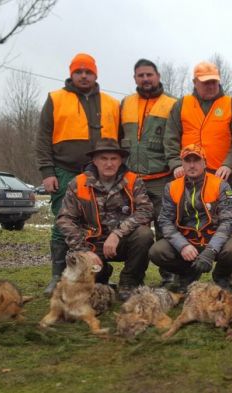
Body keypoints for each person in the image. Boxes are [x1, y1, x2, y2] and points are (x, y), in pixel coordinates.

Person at [35, 53, 121, 295]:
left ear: (96, 74)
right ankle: (57, 276)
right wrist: (47, 171)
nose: (84, 76)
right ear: (71, 74)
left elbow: (122, 139)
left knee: (102, 221)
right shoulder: (55, 98)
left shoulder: (112, 103)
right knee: (63, 222)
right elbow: (42, 138)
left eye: (88, 72)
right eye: (79, 71)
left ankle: (98, 273)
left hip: (102, 173)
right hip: (64, 170)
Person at [163, 61, 232, 290]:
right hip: (187, 172)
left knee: (226, 225)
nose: (210, 86)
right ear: (195, 83)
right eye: (205, 82)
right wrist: (174, 163)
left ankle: (226, 273)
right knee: (184, 223)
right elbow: (170, 136)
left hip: (221, 174)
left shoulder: (230, 104)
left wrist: (230, 164)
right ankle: (185, 272)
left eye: (214, 82)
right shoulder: (182, 104)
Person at [56, 139, 154, 301]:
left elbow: (146, 210)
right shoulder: (78, 183)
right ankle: (102, 273)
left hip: (122, 242)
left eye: (113, 159)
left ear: (120, 160)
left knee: (144, 235)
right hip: (90, 244)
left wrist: (117, 234)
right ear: (94, 160)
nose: (109, 163)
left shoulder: (133, 180)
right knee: (83, 286)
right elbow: (64, 219)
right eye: (104, 158)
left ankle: (129, 281)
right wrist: (84, 250)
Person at [149, 144, 232, 292]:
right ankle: (189, 273)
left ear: (204, 163)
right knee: (157, 251)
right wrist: (182, 245)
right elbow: (165, 221)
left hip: (214, 238)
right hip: (187, 240)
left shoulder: (221, 185)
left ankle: (220, 276)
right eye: (188, 161)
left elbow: (229, 221)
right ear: (182, 163)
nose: (192, 165)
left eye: (196, 160)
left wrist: (211, 250)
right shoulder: (171, 187)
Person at [120, 58, 178, 289]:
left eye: (149, 75)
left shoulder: (173, 104)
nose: (145, 79)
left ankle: (169, 276)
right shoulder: (125, 103)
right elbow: (116, 140)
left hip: (162, 179)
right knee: (136, 233)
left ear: (158, 76)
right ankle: (135, 277)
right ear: (135, 78)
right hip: (132, 181)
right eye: (141, 75)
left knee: (166, 228)